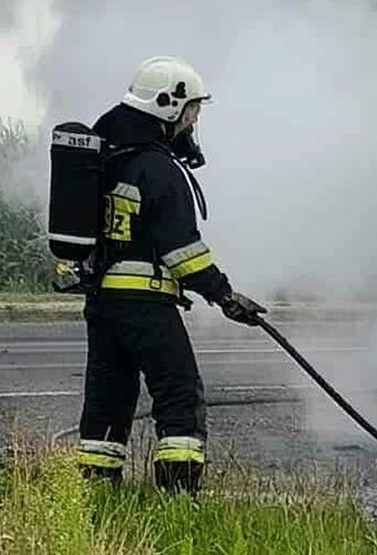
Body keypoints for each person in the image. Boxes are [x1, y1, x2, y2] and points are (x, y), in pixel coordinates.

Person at [75, 56, 266, 495]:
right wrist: (225, 295)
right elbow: (183, 252)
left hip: (103, 304)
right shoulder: (159, 169)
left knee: (107, 400)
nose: (195, 118)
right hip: (146, 303)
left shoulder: (106, 160)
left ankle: (96, 496)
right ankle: (178, 501)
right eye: (193, 108)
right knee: (178, 395)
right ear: (169, 106)